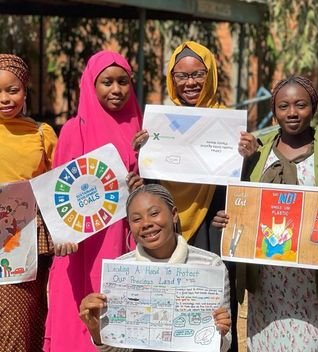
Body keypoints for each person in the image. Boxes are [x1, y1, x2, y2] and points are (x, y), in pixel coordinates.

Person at [132, 41, 255, 351]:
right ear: (171, 79)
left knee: (215, 310)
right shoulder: (159, 125)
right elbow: (150, 182)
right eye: (181, 76)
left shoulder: (229, 125)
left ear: (211, 75)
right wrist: (142, 154)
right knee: (167, 308)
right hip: (167, 229)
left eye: (198, 74)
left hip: (213, 228)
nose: (190, 83)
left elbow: (245, 188)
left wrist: (248, 157)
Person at [213, 76, 318, 351]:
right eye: (283, 106)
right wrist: (227, 220)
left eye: (300, 105)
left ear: (314, 107)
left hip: (313, 279)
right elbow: (239, 198)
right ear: (273, 111)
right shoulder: (255, 150)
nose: (292, 113)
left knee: (312, 341)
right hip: (267, 276)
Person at [44, 51, 143, 351]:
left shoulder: (141, 129)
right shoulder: (76, 129)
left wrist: (141, 184)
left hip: (124, 243)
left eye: (123, 82)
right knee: (78, 324)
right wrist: (61, 236)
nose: (116, 90)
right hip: (82, 247)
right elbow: (60, 191)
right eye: (107, 82)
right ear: (90, 84)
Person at [79, 183, 231, 352]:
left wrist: (220, 333)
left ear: (174, 215)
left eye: (154, 213)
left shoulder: (210, 265)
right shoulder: (121, 271)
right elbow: (119, 349)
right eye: (137, 219)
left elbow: (223, 346)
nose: (146, 223)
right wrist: (96, 331)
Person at [0, 54, 57, 351]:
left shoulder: (41, 135)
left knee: (19, 322)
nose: (5, 98)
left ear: (25, 91)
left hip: (22, 247)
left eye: (13, 90)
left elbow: (58, 188)